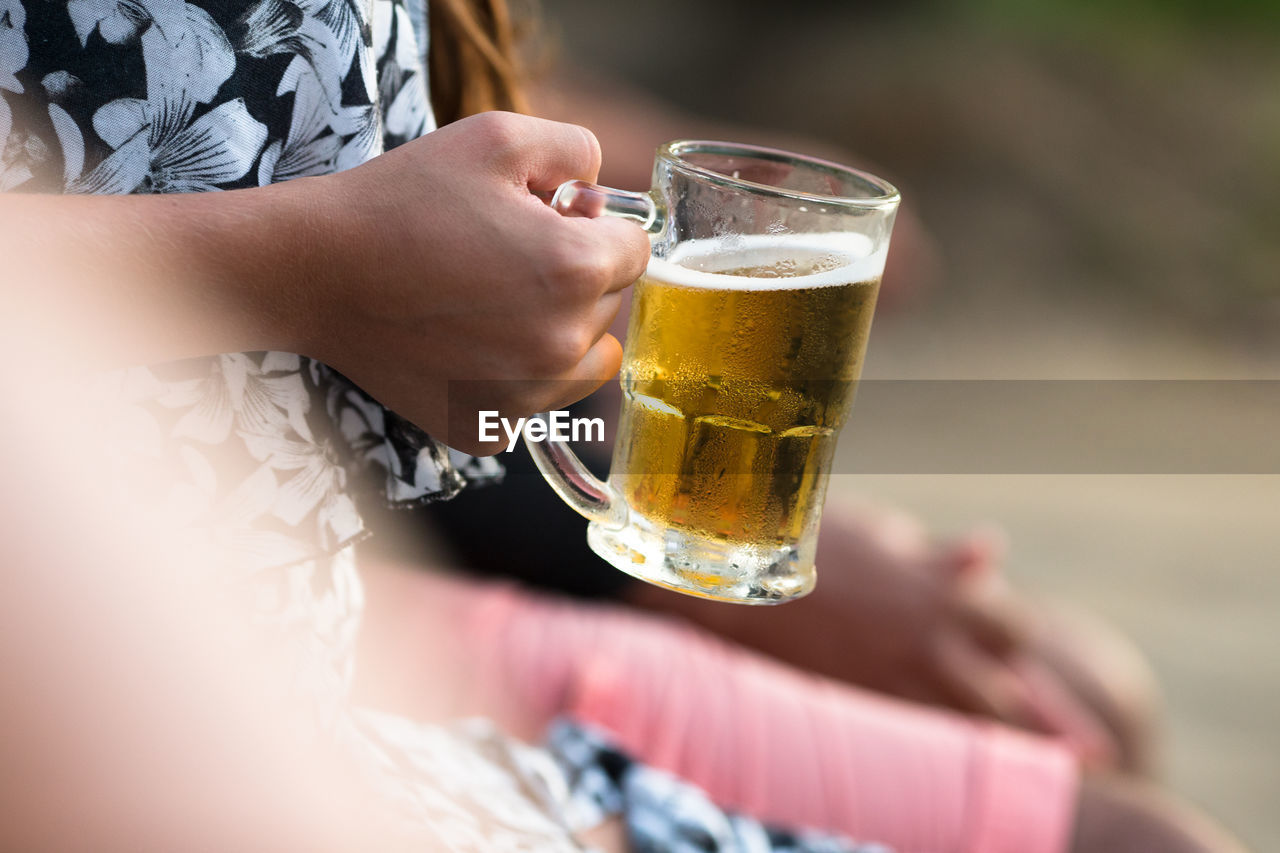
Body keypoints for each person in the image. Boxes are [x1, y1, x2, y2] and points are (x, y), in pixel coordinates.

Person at [0, 0, 1249, 849]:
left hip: (309, 686)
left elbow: (425, 311)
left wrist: (651, 484)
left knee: (1092, 723)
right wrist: (653, 551)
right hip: (196, 700)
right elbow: (365, 303)